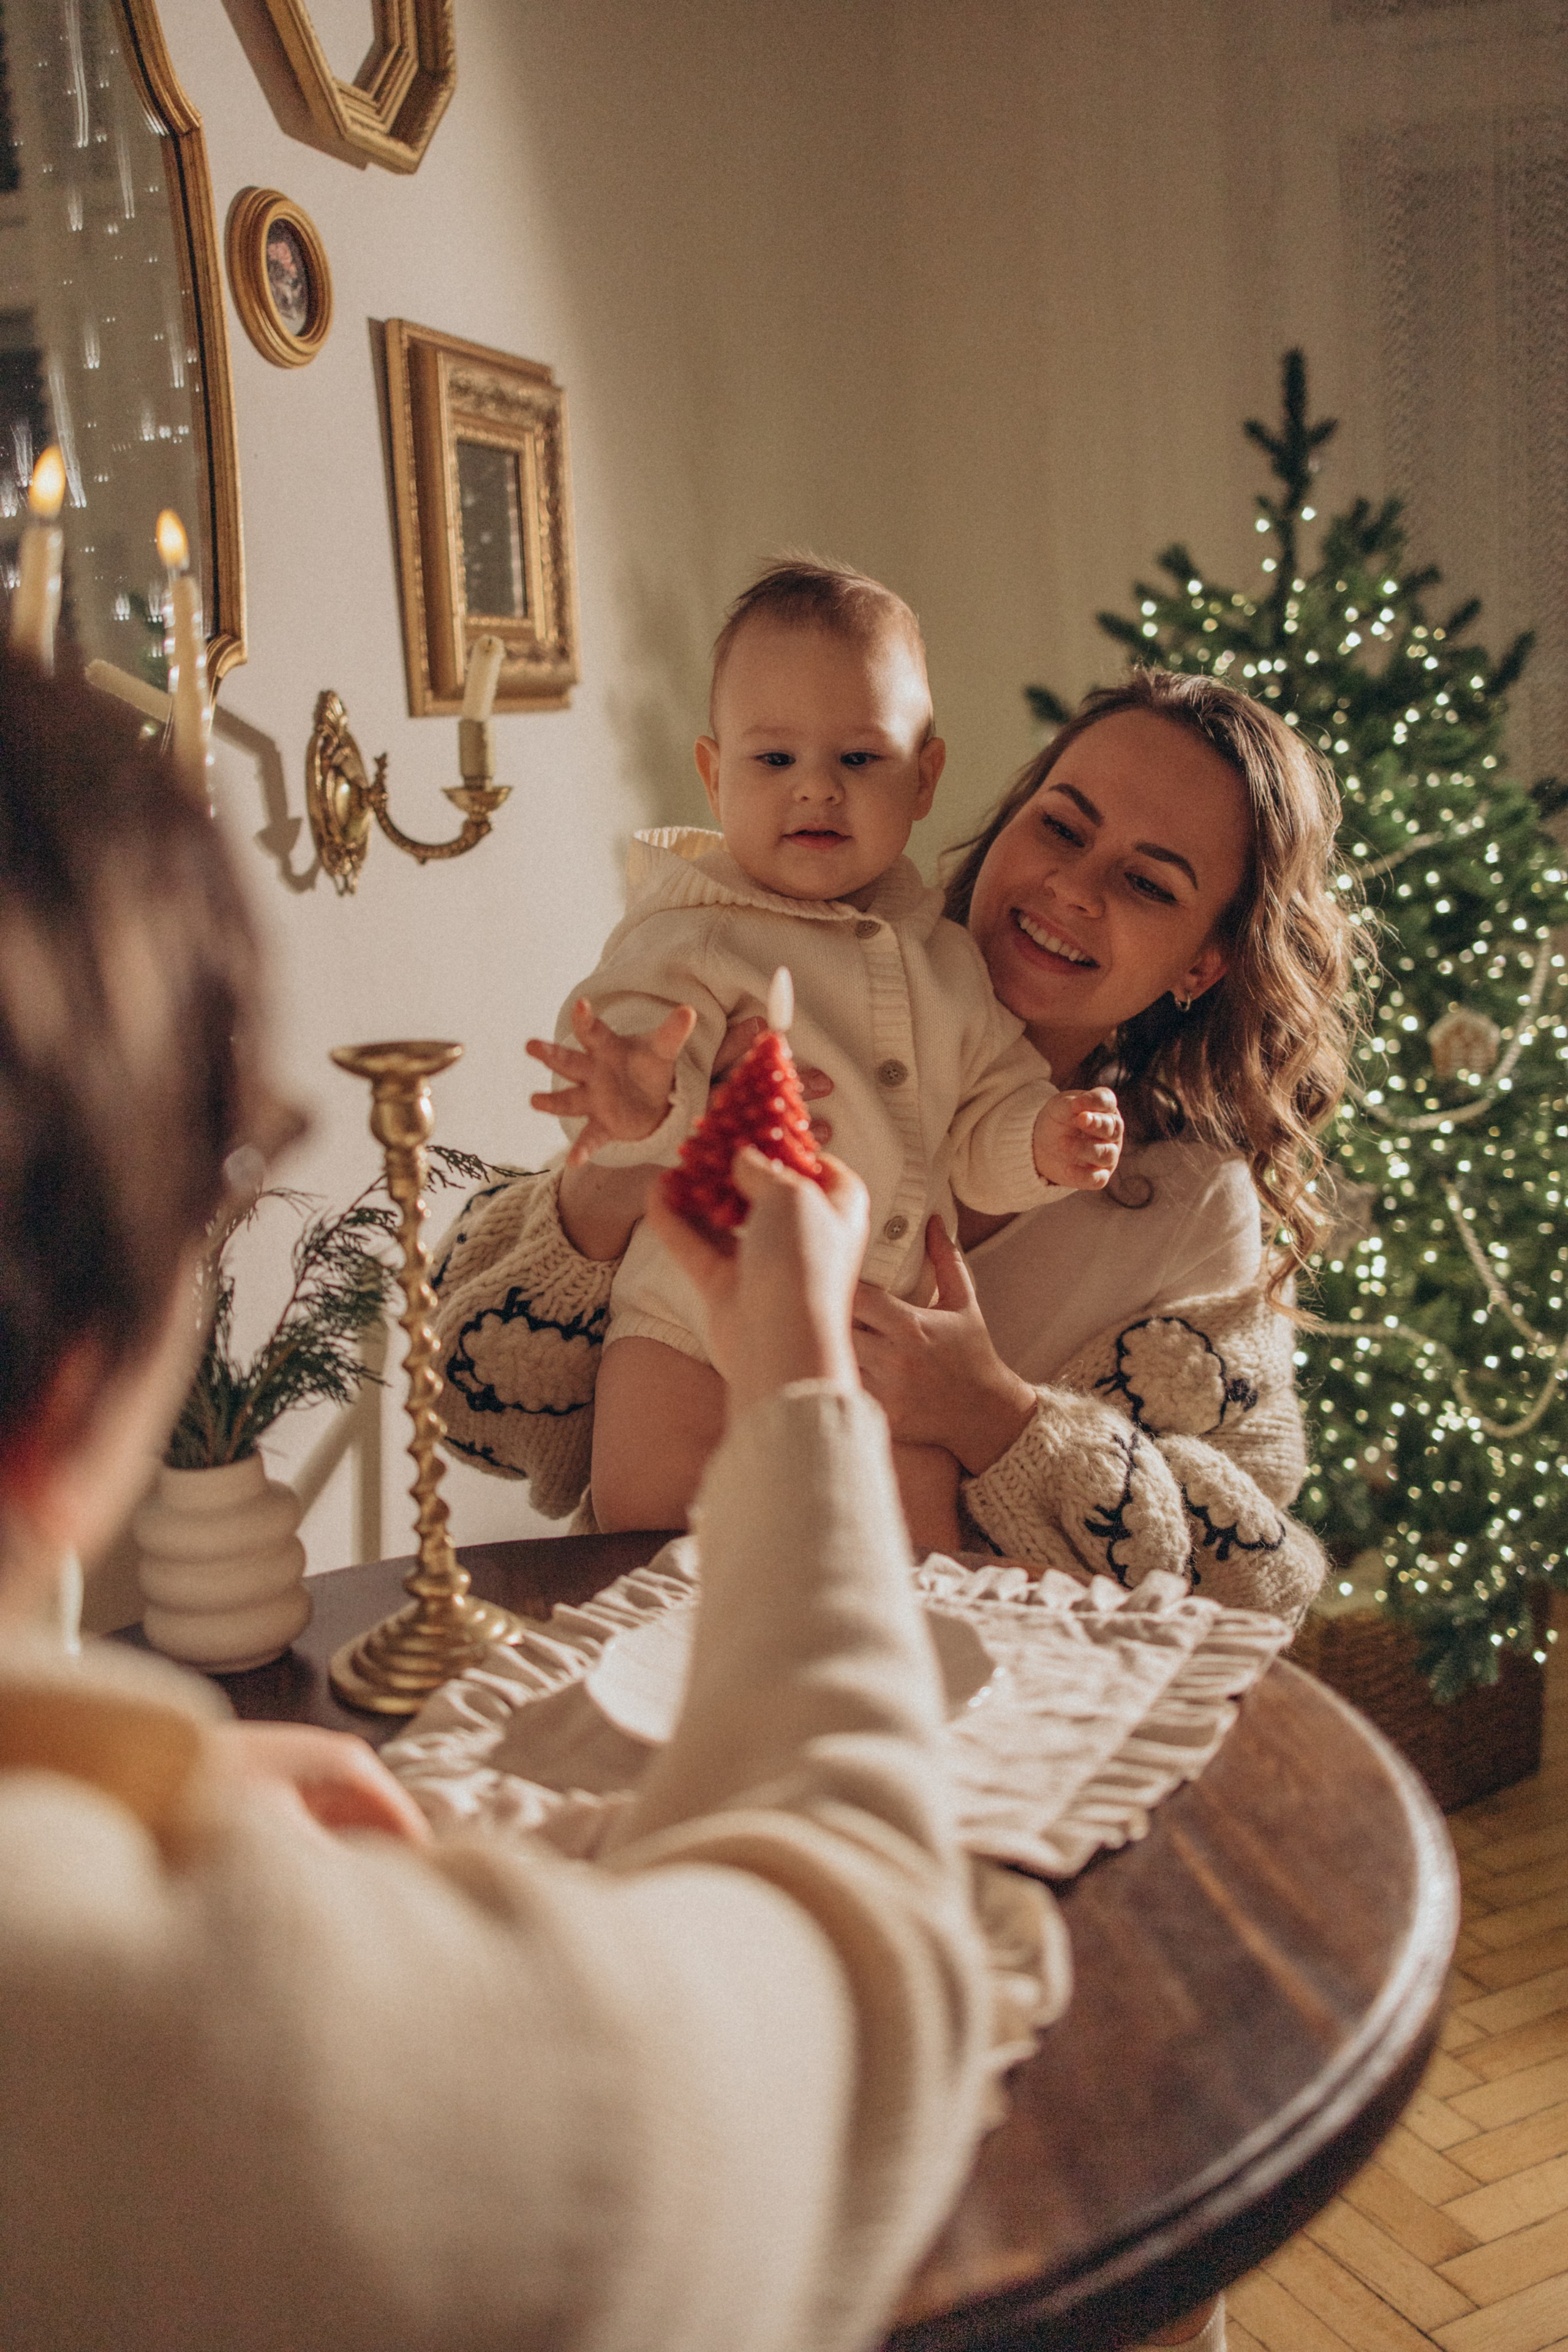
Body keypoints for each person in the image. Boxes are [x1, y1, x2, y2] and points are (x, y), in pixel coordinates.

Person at [0, 646, 1009, 2351]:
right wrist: (782, 1348)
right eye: (223, 1170)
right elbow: (853, 2004)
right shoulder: (157, 2049)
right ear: (68, 1370)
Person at [433, 664, 1351, 1627]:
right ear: (1008, 822)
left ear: (1203, 963)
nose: (1074, 889)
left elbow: (1259, 1588)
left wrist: (994, 1417)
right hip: (659, 1663)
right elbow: (468, 1402)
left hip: (951, 1722)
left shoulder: (1186, 1200)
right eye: (1062, 827)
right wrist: (651, 1162)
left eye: (1147, 883)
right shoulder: (773, 984)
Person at [530, 557, 1123, 1546]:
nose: (817, 790)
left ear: (924, 777)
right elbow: (642, 1036)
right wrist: (642, 1093)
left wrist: (1042, 1140)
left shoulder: (945, 962)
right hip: (692, 1316)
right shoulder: (692, 930)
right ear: (714, 776)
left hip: (882, 1337)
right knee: (650, 1533)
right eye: (773, 763)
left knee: (901, 1553)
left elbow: (978, 1124)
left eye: (859, 760)